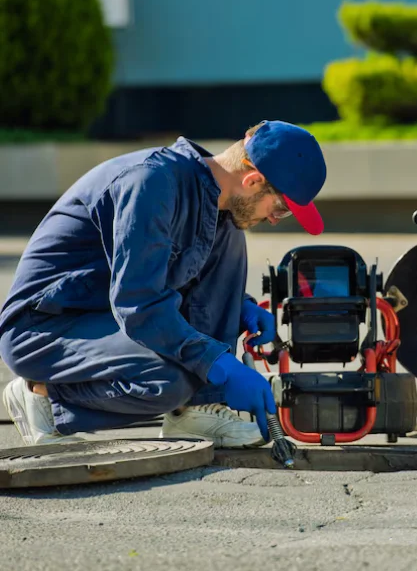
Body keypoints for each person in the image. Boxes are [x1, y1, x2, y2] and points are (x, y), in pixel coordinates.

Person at [0, 120, 327, 448]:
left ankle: (194, 411)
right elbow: (138, 305)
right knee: (167, 383)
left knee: (230, 232)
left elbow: (179, 280)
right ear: (253, 179)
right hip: (44, 328)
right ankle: (42, 396)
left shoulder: (213, 199)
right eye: (281, 209)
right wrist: (217, 363)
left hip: (105, 315)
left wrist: (238, 305)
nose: (274, 219)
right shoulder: (151, 183)